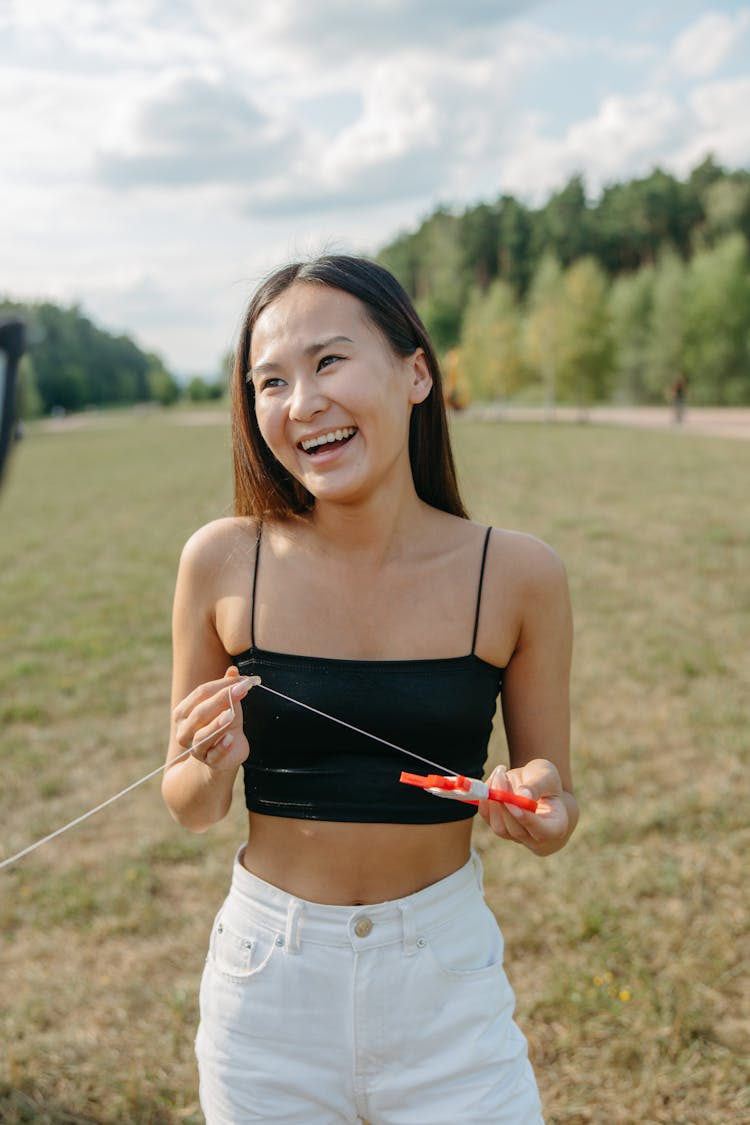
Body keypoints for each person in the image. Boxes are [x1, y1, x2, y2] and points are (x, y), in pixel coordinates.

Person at [162, 254, 577, 1124]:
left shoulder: (519, 574)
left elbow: (555, 801)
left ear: (416, 371)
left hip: (447, 989)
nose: (301, 402)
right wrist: (210, 762)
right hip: (267, 992)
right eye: (269, 381)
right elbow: (192, 805)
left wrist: (538, 802)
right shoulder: (220, 559)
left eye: (328, 361)